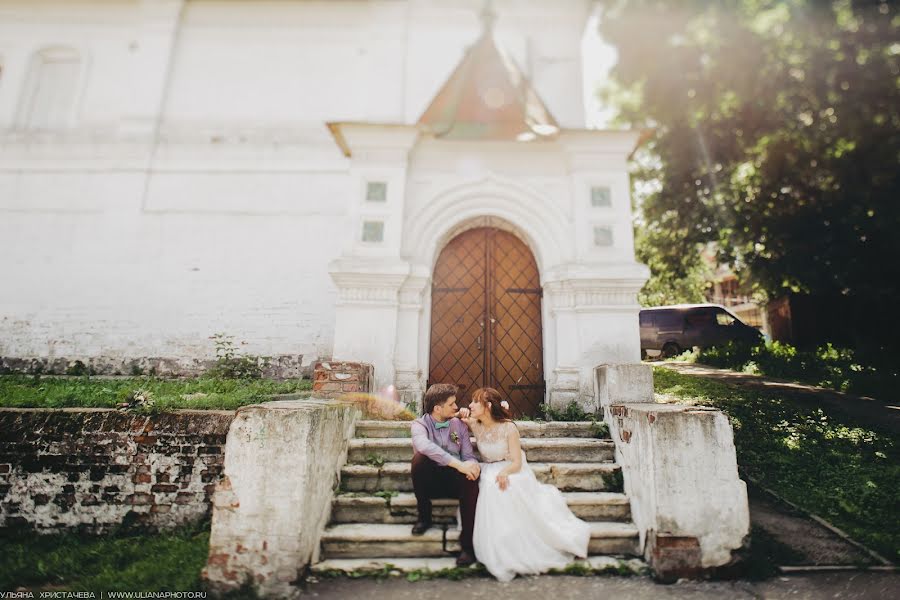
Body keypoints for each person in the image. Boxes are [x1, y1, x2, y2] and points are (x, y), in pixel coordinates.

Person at [460, 387, 591, 581]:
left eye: (474, 402)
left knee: (503, 488)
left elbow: (517, 462)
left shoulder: (508, 427)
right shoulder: (475, 424)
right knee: (488, 486)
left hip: (511, 468)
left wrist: (504, 472)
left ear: (487, 407)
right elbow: (449, 415)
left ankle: (514, 545)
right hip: (488, 468)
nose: (470, 405)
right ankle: (497, 545)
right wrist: (461, 413)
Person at [410, 383, 481, 566]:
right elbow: (424, 446)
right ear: (437, 408)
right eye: (452, 404)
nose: (457, 407)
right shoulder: (419, 425)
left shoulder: (459, 424)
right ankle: (424, 517)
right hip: (431, 480)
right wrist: (460, 465)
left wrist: (472, 466)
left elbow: (468, 455)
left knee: (471, 478)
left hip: (454, 480)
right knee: (419, 460)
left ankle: (467, 547)